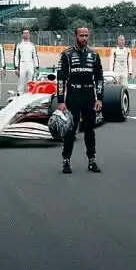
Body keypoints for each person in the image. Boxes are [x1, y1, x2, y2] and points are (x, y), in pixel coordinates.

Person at [56, 26, 103, 174]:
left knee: (90, 130)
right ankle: (66, 160)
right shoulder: (66, 54)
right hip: (73, 96)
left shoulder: (94, 54)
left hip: (89, 96)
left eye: (86, 35)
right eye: (81, 35)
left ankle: (91, 160)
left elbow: (99, 78)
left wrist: (99, 98)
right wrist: (61, 101)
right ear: (76, 36)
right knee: (70, 129)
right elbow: (61, 79)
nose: (84, 38)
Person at [13, 29, 39, 95]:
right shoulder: (19, 45)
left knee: (30, 82)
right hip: (22, 65)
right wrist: (16, 67)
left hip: (30, 64)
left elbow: (35, 56)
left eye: (27, 33)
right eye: (25, 33)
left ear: (29, 35)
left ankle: (29, 96)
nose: (26, 34)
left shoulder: (32, 45)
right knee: (21, 81)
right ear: (22, 35)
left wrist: (36, 67)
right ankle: (19, 95)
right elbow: (16, 56)